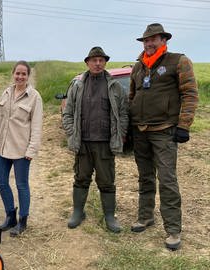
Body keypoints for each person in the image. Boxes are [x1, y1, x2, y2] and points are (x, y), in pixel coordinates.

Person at [129, 23, 198, 250]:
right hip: (140, 131)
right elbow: (132, 96)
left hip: (165, 131)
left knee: (167, 180)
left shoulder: (178, 61)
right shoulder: (138, 67)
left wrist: (184, 125)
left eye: (153, 39)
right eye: (146, 40)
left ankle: (173, 230)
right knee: (145, 177)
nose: (148, 43)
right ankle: (146, 216)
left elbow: (190, 94)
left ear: (163, 40)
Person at [62, 47, 128, 233]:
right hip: (83, 143)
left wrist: (120, 134)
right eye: (94, 60)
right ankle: (77, 212)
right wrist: (71, 132)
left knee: (107, 181)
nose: (98, 63)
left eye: (101, 60)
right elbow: (68, 112)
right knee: (81, 178)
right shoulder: (78, 86)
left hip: (105, 144)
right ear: (87, 63)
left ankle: (109, 216)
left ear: (105, 62)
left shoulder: (114, 86)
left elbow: (123, 113)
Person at [0, 60, 43, 237]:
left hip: (21, 150)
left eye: (24, 74)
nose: (20, 76)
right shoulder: (6, 93)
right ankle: (10, 216)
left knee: (21, 185)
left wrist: (31, 150)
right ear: (13, 74)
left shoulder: (34, 97)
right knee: (0, 181)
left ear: (28, 76)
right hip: (3, 148)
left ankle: (23, 221)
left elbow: (36, 126)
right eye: (17, 73)